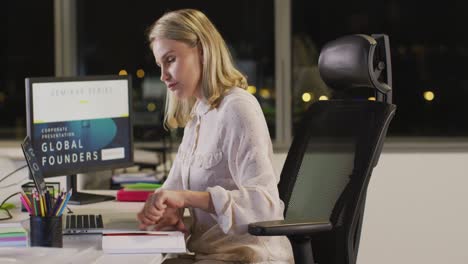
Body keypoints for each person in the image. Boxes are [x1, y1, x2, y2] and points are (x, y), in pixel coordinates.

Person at [137, 9, 293, 263]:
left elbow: (265, 206)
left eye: (171, 60)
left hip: (245, 257)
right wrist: (164, 210)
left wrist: (187, 198)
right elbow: (173, 188)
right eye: (160, 65)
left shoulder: (237, 108)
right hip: (207, 254)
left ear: (201, 50)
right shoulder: (198, 115)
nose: (164, 76)